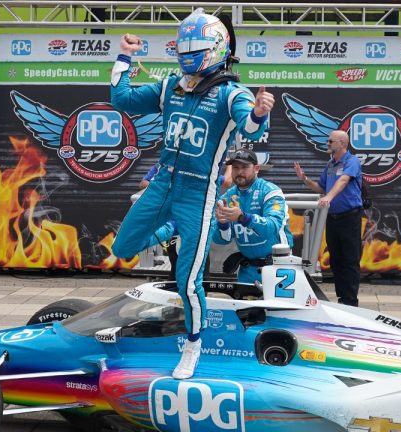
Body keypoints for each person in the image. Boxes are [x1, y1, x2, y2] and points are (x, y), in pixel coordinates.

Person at [110, 9, 274, 379]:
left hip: (197, 196)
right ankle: (172, 230)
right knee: (122, 250)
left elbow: (248, 122)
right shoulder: (171, 86)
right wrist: (124, 56)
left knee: (187, 279)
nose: (187, 54)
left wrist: (261, 112)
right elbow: (122, 100)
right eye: (183, 47)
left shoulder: (232, 93)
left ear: (216, 48)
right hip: (162, 184)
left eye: (195, 47)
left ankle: (194, 344)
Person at [294, 129, 363, 306]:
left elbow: (343, 181)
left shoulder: (352, 161)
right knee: (336, 259)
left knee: (350, 259)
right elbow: (321, 188)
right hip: (332, 218)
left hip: (349, 217)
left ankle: (350, 301)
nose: (328, 144)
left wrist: (329, 198)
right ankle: (342, 298)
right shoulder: (330, 164)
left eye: (331, 141)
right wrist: (305, 179)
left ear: (343, 143)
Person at [213, 148, 293, 283]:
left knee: (277, 305)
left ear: (256, 168)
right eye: (236, 167)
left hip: (278, 267)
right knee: (246, 304)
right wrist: (222, 223)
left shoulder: (271, 191)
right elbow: (222, 240)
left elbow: (272, 227)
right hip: (247, 270)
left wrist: (243, 217)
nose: (239, 172)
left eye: (244, 167)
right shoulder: (227, 197)